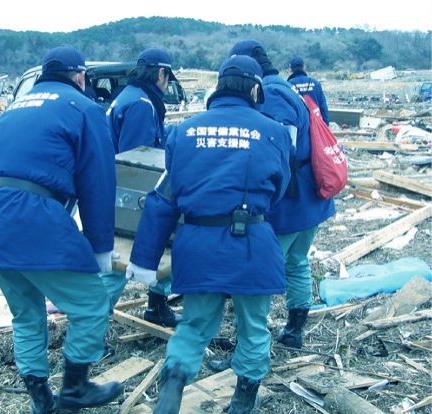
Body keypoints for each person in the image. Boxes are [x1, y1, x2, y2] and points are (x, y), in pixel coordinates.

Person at [125, 54, 292, 414]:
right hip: (252, 246)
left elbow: (163, 199)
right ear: (254, 88)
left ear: (219, 86)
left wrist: (143, 261)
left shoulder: (184, 132)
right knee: (253, 328)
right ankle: (242, 401)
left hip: (199, 245)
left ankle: (170, 393)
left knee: (196, 325)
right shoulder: (274, 131)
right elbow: (279, 191)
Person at [0, 46, 123, 414]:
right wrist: (100, 249)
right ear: (82, 76)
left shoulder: (14, 108)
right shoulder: (85, 108)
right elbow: (98, 183)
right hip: (32, 217)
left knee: (26, 313)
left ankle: (42, 400)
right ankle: (76, 390)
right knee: (91, 304)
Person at [230, 40, 336, 350]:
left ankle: (248, 346)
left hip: (291, 200)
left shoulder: (272, 92)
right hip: (309, 198)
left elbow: (280, 147)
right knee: (297, 262)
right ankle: (294, 331)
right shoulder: (284, 86)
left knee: (255, 272)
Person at [106, 47, 182, 328]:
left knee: (161, 248)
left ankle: (157, 306)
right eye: (167, 77)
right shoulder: (141, 104)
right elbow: (137, 163)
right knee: (122, 262)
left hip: (115, 189)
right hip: (125, 197)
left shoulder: (130, 96)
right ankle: (92, 325)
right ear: (161, 73)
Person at [287, 56, 330, 126]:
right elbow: (323, 107)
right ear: (304, 68)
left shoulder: (288, 85)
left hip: (299, 127)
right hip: (316, 125)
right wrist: (326, 126)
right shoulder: (315, 83)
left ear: (290, 70)